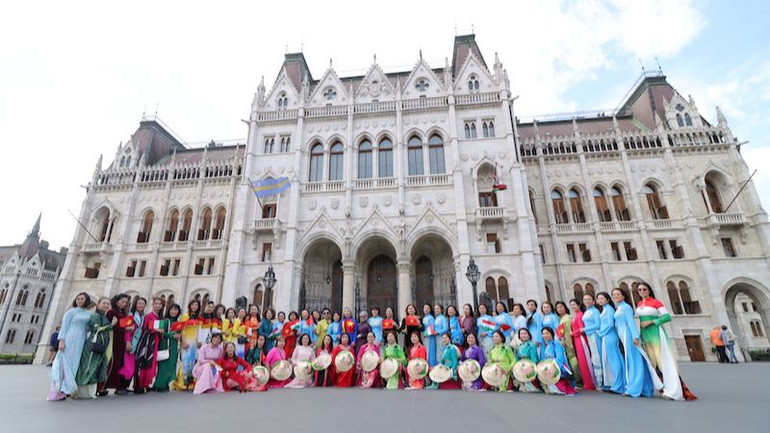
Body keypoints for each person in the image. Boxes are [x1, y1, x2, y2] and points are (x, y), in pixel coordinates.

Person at [636, 281, 697, 400]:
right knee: (653, 362)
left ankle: (675, 389)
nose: (642, 292)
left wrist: (653, 322)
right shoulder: (639, 304)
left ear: (649, 290)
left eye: (644, 289)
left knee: (663, 360)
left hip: (656, 332)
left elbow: (667, 317)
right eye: (639, 290)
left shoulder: (656, 302)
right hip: (645, 334)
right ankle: (664, 388)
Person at [611, 288, 660, 398]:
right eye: (614, 294)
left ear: (624, 296)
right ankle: (644, 388)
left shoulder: (626, 307)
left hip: (628, 335)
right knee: (634, 360)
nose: (616, 296)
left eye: (618, 294)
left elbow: (630, 322)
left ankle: (633, 388)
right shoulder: (619, 307)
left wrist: (635, 337)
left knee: (634, 361)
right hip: (623, 336)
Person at [48, 292, 92, 401]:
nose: (80, 301)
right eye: (78, 299)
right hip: (69, 339)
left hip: (81, 340)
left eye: (82, 299)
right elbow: (64, 327)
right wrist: (61, 340)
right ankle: (58, 390)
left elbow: (89, 328)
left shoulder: (89, 314)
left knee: (74, 364)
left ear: (86, 301)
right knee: (63, 364)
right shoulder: (70, 312)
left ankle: (68, 389)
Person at [75, 297, 116, 399]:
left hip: (100, 346)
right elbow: (97, 328)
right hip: (93, 345)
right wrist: (111, 325)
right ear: (98, 304)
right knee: (89, 366)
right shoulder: (95, 315)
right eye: (104, 303)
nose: (106, 305)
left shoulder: (103, 315)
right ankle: (82, 392)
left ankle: (90, 392)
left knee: (96, 367)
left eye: (108, 304)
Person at [97, 294, 130, 396]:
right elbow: (111, 326)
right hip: (113, 339)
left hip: (120, 341)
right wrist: (125, 328)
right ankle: (102, 387)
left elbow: (122, 325)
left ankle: (113, 386)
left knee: (118, 363)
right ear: (116, 301)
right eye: (122, 301)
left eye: (125, 302)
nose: (124, 304)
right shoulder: (112, 312)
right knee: (111, 362)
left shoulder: (121, 312)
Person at [596, 292, 625, 393]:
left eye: (602, 298)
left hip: (610, 335)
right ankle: (614, 383)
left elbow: (610, 324)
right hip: (606, 336)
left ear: (608, 299)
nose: (600, 300)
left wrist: (601, 333)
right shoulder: (605, 309)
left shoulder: (609, 309)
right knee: (610, 359)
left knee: (614, 359)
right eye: (599, 299)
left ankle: (618, 385)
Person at [135, 297, 165, 393]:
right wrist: (155, 330)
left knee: (152, 363)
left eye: (160, 304)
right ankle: (141, 383)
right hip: (148, 342)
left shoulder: (160, 317)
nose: (158, 305)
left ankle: (147, 383)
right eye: (156, 303)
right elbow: (145, 328)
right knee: (146, 361)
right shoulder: (149, 315)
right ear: (153, 305)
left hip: (156, 341)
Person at [153, 303, 182, 392]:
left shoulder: (178, 322)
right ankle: (158, 385)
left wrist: (179, 336)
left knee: (171, 365)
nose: (173, 312)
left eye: (175, 310)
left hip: (174, 346)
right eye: (172, 309)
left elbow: (179, 333)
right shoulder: (165, 321)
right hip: (166, 345)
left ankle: (164, 384)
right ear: (168, 310)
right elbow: (160, 332)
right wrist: (172, 336)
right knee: (164, 366)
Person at [540, 327, 577, 396]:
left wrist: (552, 367)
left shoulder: (556, 344)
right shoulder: (547, 346)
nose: (545, 335)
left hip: (558, 368)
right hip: (550, 369)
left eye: (547, 333)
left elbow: (560, 358)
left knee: (560, 389)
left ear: (552, 334)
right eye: (543, 334)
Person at [568, 299, 596, 390]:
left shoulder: (580, 315)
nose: (572, 307)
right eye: (571, 305)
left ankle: (590, 382)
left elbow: (581, 328)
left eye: (574, 305)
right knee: (581, 361)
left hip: (580, 339)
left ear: (579, 305)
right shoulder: (575, 315)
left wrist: (573, 333)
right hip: (576, 339)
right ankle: (586, 381)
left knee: (585, 360)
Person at [120, 296, 146, 392]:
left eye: (143, 304)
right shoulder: (131, 315)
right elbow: (127, 329)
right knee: (128, 366)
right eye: (139, 303)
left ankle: (125, 386)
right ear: (135, 304)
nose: (141, 305)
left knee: (133, 366)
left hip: (138, 344)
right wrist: (127, 342)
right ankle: (121, 386)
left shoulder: (143, 316)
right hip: (131, 343)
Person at [175, 299, 201, 391]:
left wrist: (198, 341)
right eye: (193, 305)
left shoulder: (197, 317)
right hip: (187, 341)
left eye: (196, 305)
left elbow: (197, 330)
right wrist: (182, 342)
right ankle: (181, 383)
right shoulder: (185, 316)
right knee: (185, 362)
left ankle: (189, 383)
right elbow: (182, 329)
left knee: (192, 362)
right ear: (190, 306)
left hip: (194, 342)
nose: (194, 307)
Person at [582, 294, 603, 389]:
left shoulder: (595, 311)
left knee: (597, 357)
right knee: (593, 357)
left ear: (593, 301)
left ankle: (601, 382)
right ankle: (597, 380)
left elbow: (598, 325)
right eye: (585, 299)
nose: (587, 301)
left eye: (589, 299)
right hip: (589, 335)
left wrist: (584, 329)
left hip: (595, 335)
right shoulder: (587, 311)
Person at [513, 328, 539, 393]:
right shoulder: (519, 346)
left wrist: (533, 372)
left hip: (529, 366)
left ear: (529, 335)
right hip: (521, 366)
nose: (523, 335)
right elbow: (517, 359)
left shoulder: (532, 345)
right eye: (521, 334)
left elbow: (534, 359)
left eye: (525, 334)